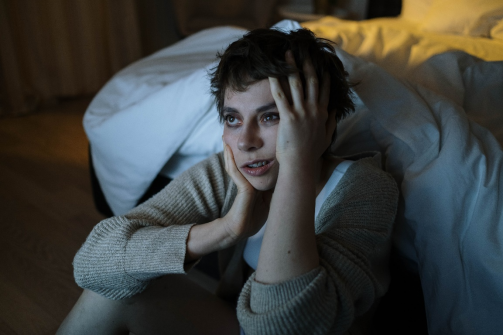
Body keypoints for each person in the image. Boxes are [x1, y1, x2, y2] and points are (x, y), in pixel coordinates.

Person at [57, 28, 398, 334]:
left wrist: (297, 164)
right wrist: (226, 229)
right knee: (114, 292)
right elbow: (91, 264)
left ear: (321, 120)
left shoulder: (366, 189)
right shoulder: (231, 170)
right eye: (233, 119)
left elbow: (280, 329)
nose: (246, 141)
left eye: (270, 116)